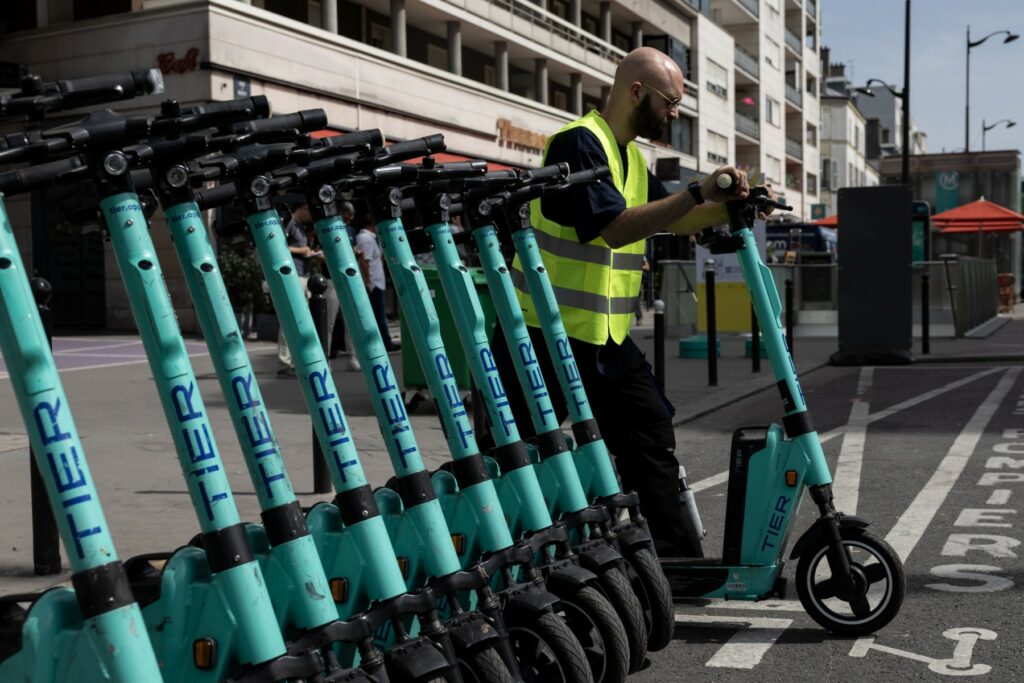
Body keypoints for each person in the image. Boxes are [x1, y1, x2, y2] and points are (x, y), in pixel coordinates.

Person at [492, 46, 772, 557]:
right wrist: (695, 192)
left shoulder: (631, 158)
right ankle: (516, 560)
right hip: (541, 334)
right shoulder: (577, 144)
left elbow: (675, 218)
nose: (673, 114)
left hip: (601, 338)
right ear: (636, 91)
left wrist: (732, 208)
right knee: (528, 456)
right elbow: (615, 230)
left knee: (649, 424)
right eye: (670, 102)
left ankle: (670, 550)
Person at [356, 216, 401, 352]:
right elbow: (365, 261)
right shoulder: (366, 239)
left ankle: (384, 341)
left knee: (378, 314)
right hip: (373, 283)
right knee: (379, 314)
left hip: (376, 281)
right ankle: (386, 342)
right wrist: (368, 281)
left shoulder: (369, 238)